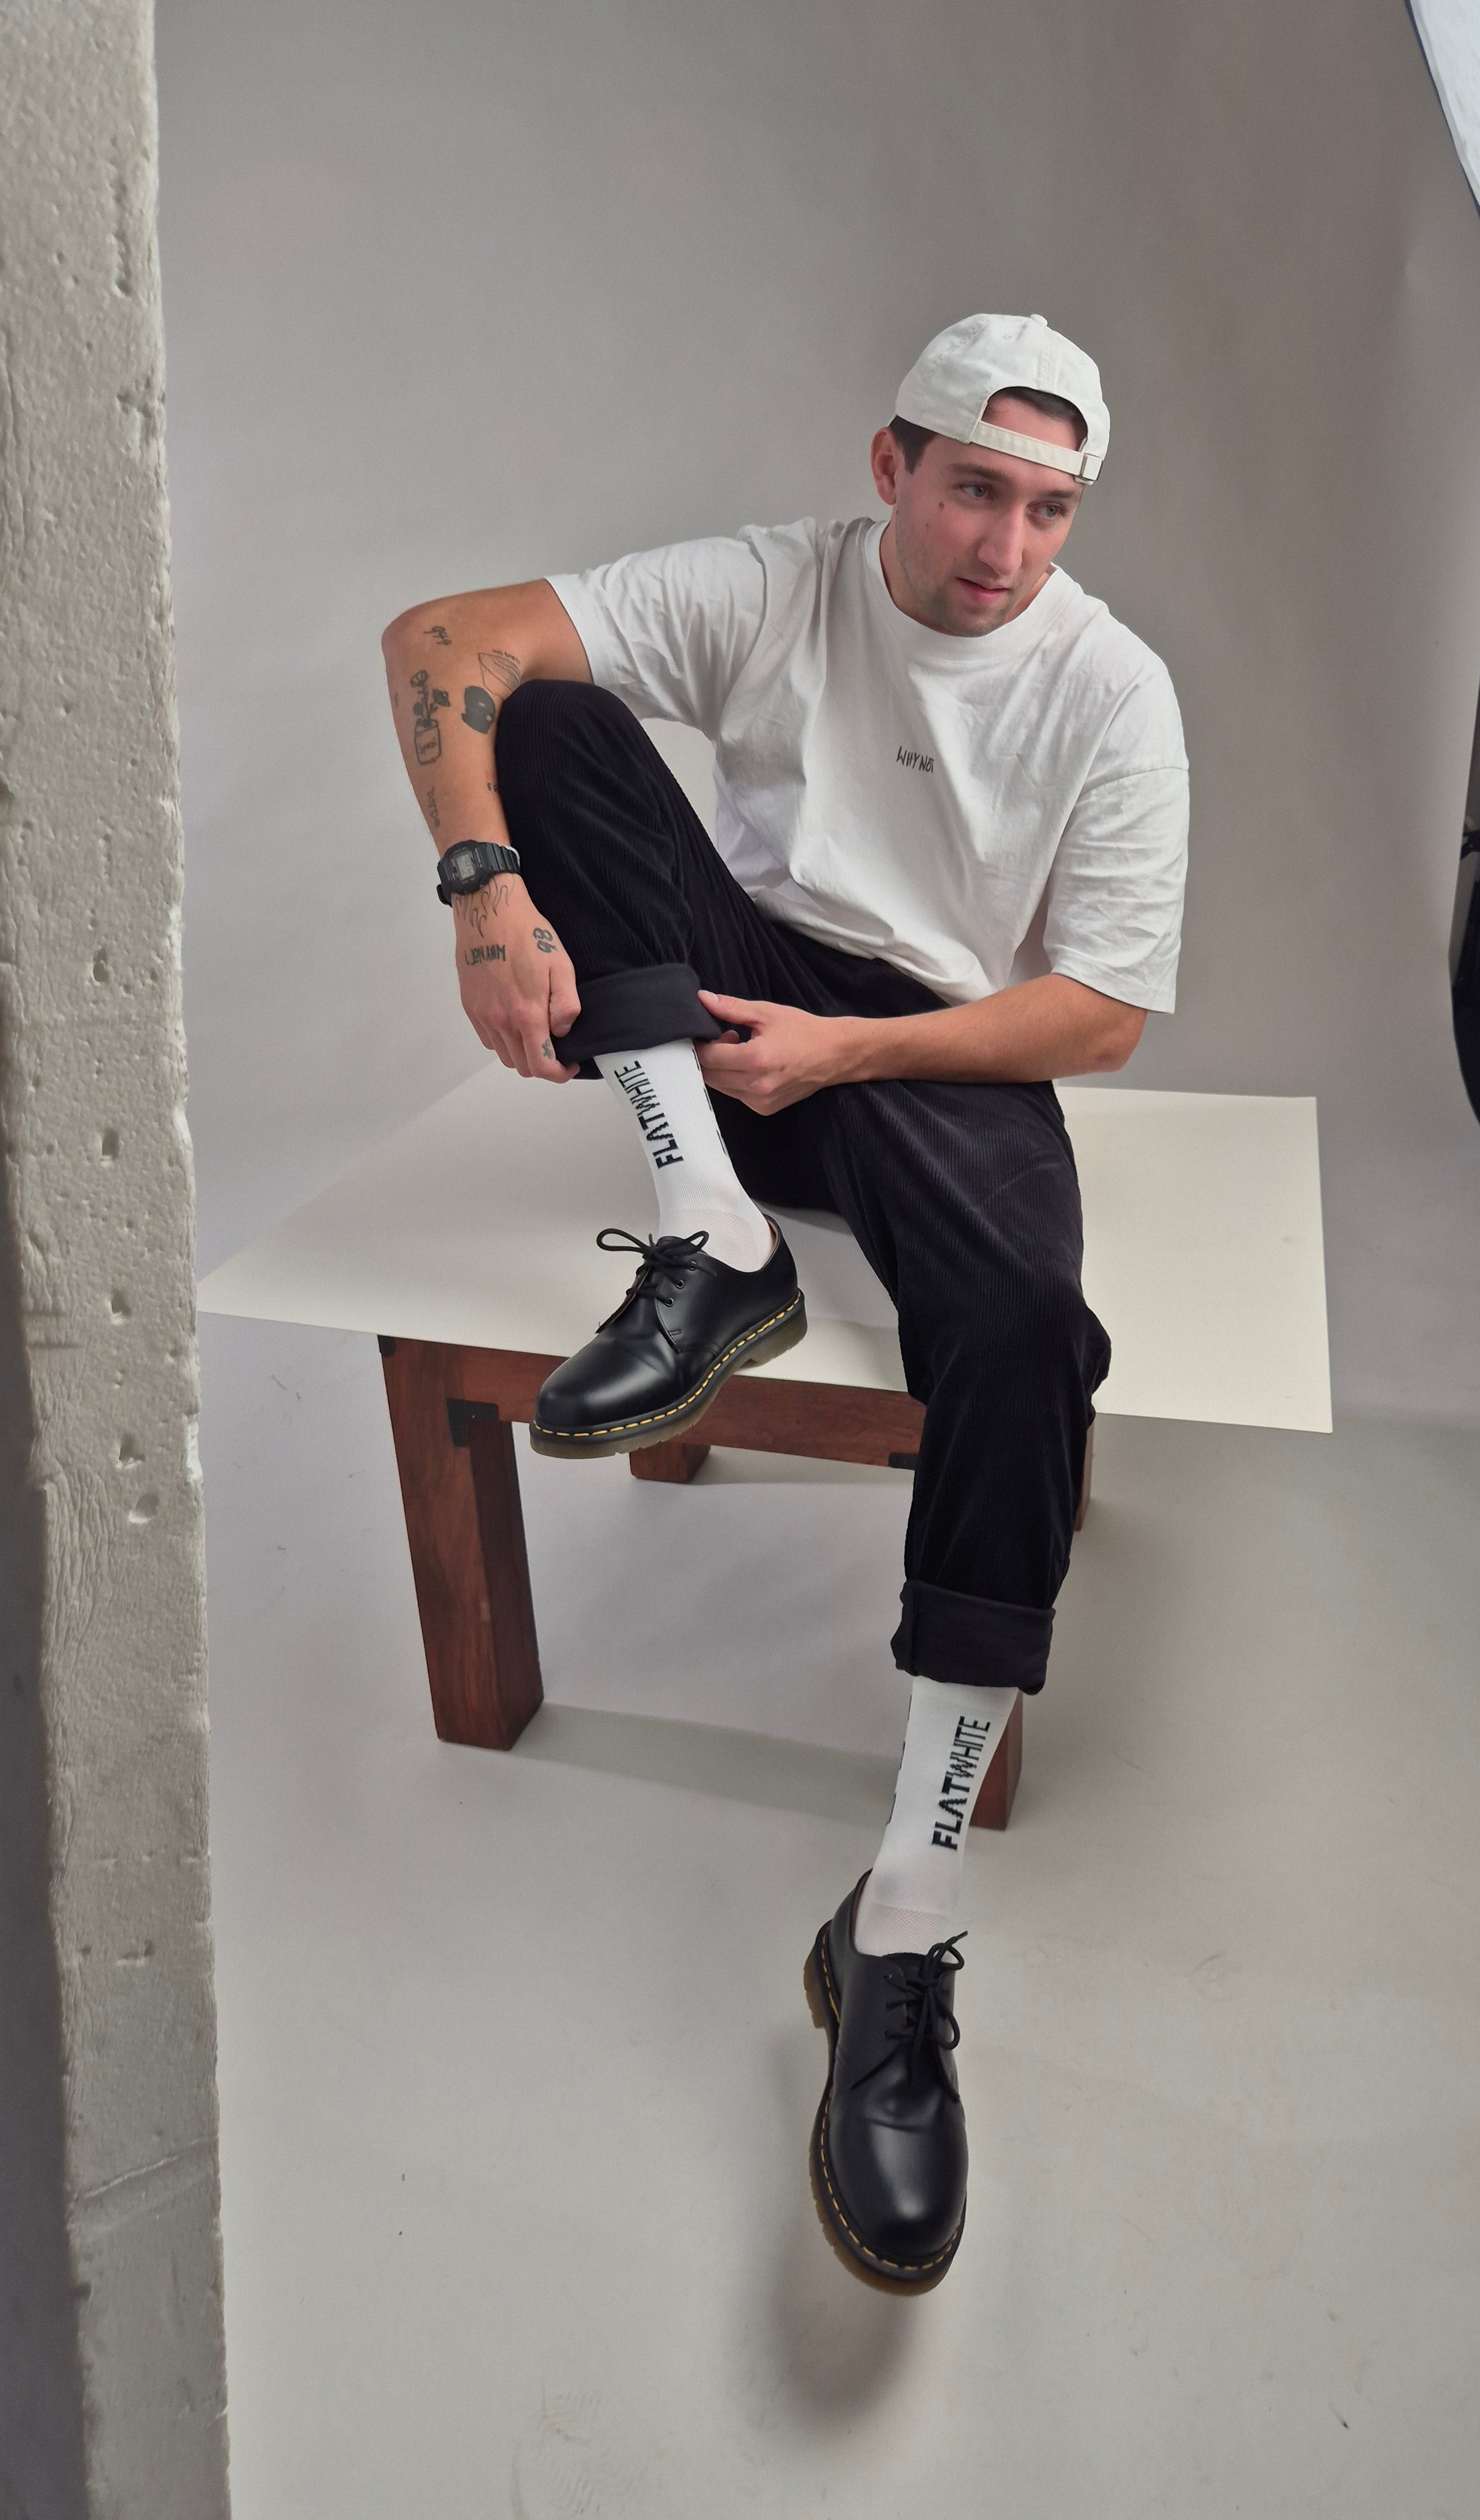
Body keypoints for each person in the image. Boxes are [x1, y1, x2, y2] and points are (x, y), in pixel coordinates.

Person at [381, 312, 1188, 2289]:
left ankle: (899, 1926)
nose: (1006, 547)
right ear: (893, 464)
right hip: (728, 1001)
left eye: (1051, 510)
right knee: (551, 724)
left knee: (1024, 1332)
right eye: (976, 490)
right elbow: (442, 642)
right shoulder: (775, 583)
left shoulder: (1111, 686)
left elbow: (1100, 1012)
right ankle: (711, 1234)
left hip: (930, 1046)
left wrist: (856, 1054)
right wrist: (486, 893)